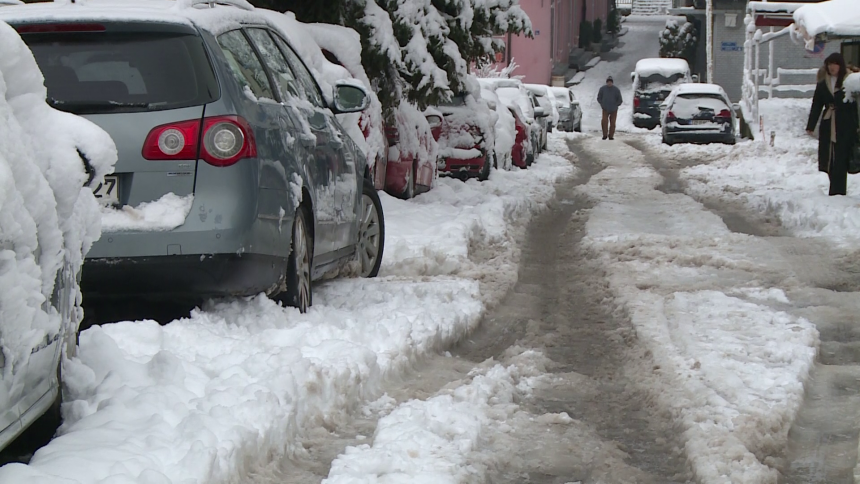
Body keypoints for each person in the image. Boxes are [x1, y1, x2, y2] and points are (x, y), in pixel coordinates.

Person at [807, 52, 859, 196]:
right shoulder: (823, 82)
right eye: (829, 64)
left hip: (845, 124)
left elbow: (855, 105)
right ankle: (834, 187)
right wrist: (811, 125)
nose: (832, 67)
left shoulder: (849, 82)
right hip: (828, 123)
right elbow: (817, 104)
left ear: (840, 65)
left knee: (841, 157)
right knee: (829, 157)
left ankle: (838, 192)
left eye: (835, 64)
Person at [597, 76, 623, 140]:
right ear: (606, 82)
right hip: (605, 108)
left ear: (612, 83)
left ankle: (611, 135)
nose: (609, 83)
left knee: (613, 123)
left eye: (610, 82)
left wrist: (616, 105)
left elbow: (620, 99)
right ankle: (604, 135)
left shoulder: (616, 90)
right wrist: (602, 104)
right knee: (604, 121)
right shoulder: (602, 89)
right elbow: (599, 98)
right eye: (608, 82)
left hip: (614, 109)